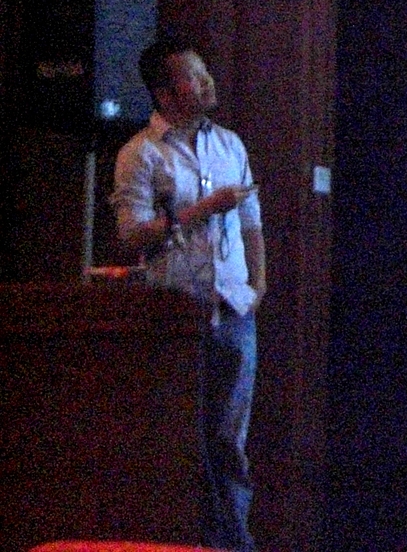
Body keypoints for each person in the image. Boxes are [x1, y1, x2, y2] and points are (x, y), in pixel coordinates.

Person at [110, 37, 266, 552]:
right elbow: (130, 235)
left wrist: (258, 284)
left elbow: (251, 221)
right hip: (174, 315)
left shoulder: (230, 145)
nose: (208, 83)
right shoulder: (140, 153)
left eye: (206, 73)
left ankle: (234, 544)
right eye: (195, 77)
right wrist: (202, 209)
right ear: (165, 92)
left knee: (230, 444)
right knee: (181, 442)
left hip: (234, 310)